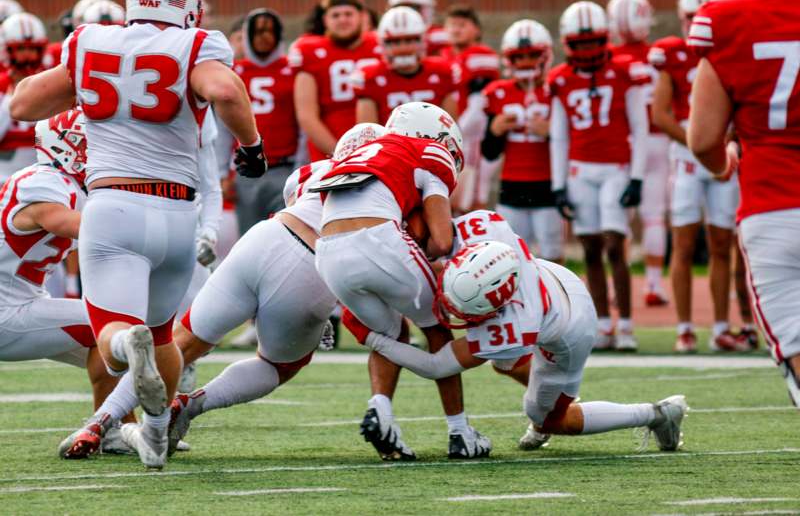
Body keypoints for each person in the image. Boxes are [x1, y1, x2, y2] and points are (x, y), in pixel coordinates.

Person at [10, 0, 264, 469]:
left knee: (115, 339)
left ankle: (129, 344)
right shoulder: (195, 45)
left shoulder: (90, 42)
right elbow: (226, 90)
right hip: (177, 214)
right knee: (163, 334)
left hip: (114, 206)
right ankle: (152, 435)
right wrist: (251, 146)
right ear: (186, 4)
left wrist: (86, 87)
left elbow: (23, 104)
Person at [58, 123, 383, 459]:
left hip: (264, 239)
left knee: (179, 340)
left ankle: (99, 422)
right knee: (279, 365)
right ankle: (189, 404)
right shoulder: (392, 178)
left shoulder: (310, 172)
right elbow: (364, 250)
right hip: (313, 266)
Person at [365, 210, 689, 452]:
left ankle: (657, 414)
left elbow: (436, 365)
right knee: (504, 361)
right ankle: (549, 396)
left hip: (571, 331)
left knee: (547, 417)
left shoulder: (513, 327)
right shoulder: (487, 227)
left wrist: (373, 338)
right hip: (553, 281)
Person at [314, 102, 492, 460]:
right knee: (438, 329)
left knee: (391, 335)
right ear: (437, 136)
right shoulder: (430, 152)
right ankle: (460, 433)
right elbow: (441, 241)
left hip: (328, 254)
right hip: (379, 240)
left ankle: (381, 410)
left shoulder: (360, 151)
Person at [686, 0, 800, 406]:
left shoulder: (729, 20)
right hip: (772, 207)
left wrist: (723, 165)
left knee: (795, 349)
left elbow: (702, 140)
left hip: (774, 207)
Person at [0, 109, 132, 454]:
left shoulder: (67, 185)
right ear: (67, 146)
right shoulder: (43, 181)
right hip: (8, 311)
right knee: (110, 330)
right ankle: (110, 429)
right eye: (94, 145)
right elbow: (62, 222)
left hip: (24, 301)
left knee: (121, 351)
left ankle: (128, 429)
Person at [549, 1, 649, 351]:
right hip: (579, 169)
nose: (588, 50)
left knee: (614, 243)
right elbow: (559, 134)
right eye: (581, 43)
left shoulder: (625, 72)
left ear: (605, 39)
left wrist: (637, 177)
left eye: (593, 42)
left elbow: (640, 126)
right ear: (567, 43)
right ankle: (602, 322)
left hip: (616, 168)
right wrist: (558, 184)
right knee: (590, 247)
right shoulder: (560, 78)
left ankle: (626, 324)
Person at [649, 0, 738, 353]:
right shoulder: (673, 54)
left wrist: (720, 140)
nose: (698, 23)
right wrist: (699, 141)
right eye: (691, 17)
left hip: (722, 157)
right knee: (683, 244)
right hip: (688, 158)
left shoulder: (734, 48)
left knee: (722, 243)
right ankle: (684, 328)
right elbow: (660, 113)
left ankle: (720, 327)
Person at [481, 19, 563, 263]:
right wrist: (494, 131)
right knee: (510, 257)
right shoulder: (497, 92)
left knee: (552, 256)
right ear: (509, 60)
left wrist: (551, 132)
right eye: (519, 57)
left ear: (545, 55)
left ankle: (556, 302)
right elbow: (489, 153)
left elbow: (570, 142)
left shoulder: (556, 89)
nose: (525, 62)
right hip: (512, 186)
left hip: (548, 185)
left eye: (533, 55)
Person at [607, 0, 670, 306]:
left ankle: (615, 287)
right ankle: (654, 285)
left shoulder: (610, 59)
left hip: (625, 141)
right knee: (654, 217)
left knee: (619, 215)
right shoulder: (660, 56)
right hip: (657, 138)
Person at [224, 8, 300, 235]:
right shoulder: (234, 71)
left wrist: (301, 168)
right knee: (248, 237)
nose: (264, 37)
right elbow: (222, 128)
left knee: (287, 237)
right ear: (248, 35)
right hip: (246, 169)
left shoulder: (294, 70)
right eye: (257, 32)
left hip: (285, 166)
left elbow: (303, 127)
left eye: (269, 31)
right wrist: (221, 173)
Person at [291, 0, 381, 161]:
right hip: (329, 153)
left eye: (348, 14)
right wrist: (339, 155)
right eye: (336, 15)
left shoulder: (381, 45)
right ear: (325, 19)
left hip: (380, 148)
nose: (342, 20)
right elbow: (307, 117)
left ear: (362, 16)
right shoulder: (310, 51)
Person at [353, 6, 459, 124]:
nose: (403, 48)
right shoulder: (370, 78)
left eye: (409, 40)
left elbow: (451, 129)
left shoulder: (442, 72)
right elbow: (369, 133)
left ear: (422, 41)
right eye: (395, 42)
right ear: (382, 44)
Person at [440, 5, 500, 212]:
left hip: (473, 135)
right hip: (449, 135)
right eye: (452, 25)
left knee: (471, 199)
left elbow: (478, 107)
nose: (456, 30)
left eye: (462, 25)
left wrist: (453, 133)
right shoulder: (444, 56)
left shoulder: (480, 55)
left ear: (477, 30)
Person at [0, 13, 49, 184]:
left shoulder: (49, 83)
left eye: (33, 48)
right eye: (20, 49)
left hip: (43, 169)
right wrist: (9, 95)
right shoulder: (2, 84)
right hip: (4, 171)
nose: (28, 55)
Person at [386, 0, 450, 56]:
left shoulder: (439, 36)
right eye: (401, 8)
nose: (407, 12)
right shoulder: (383, 35)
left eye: (413, 8)